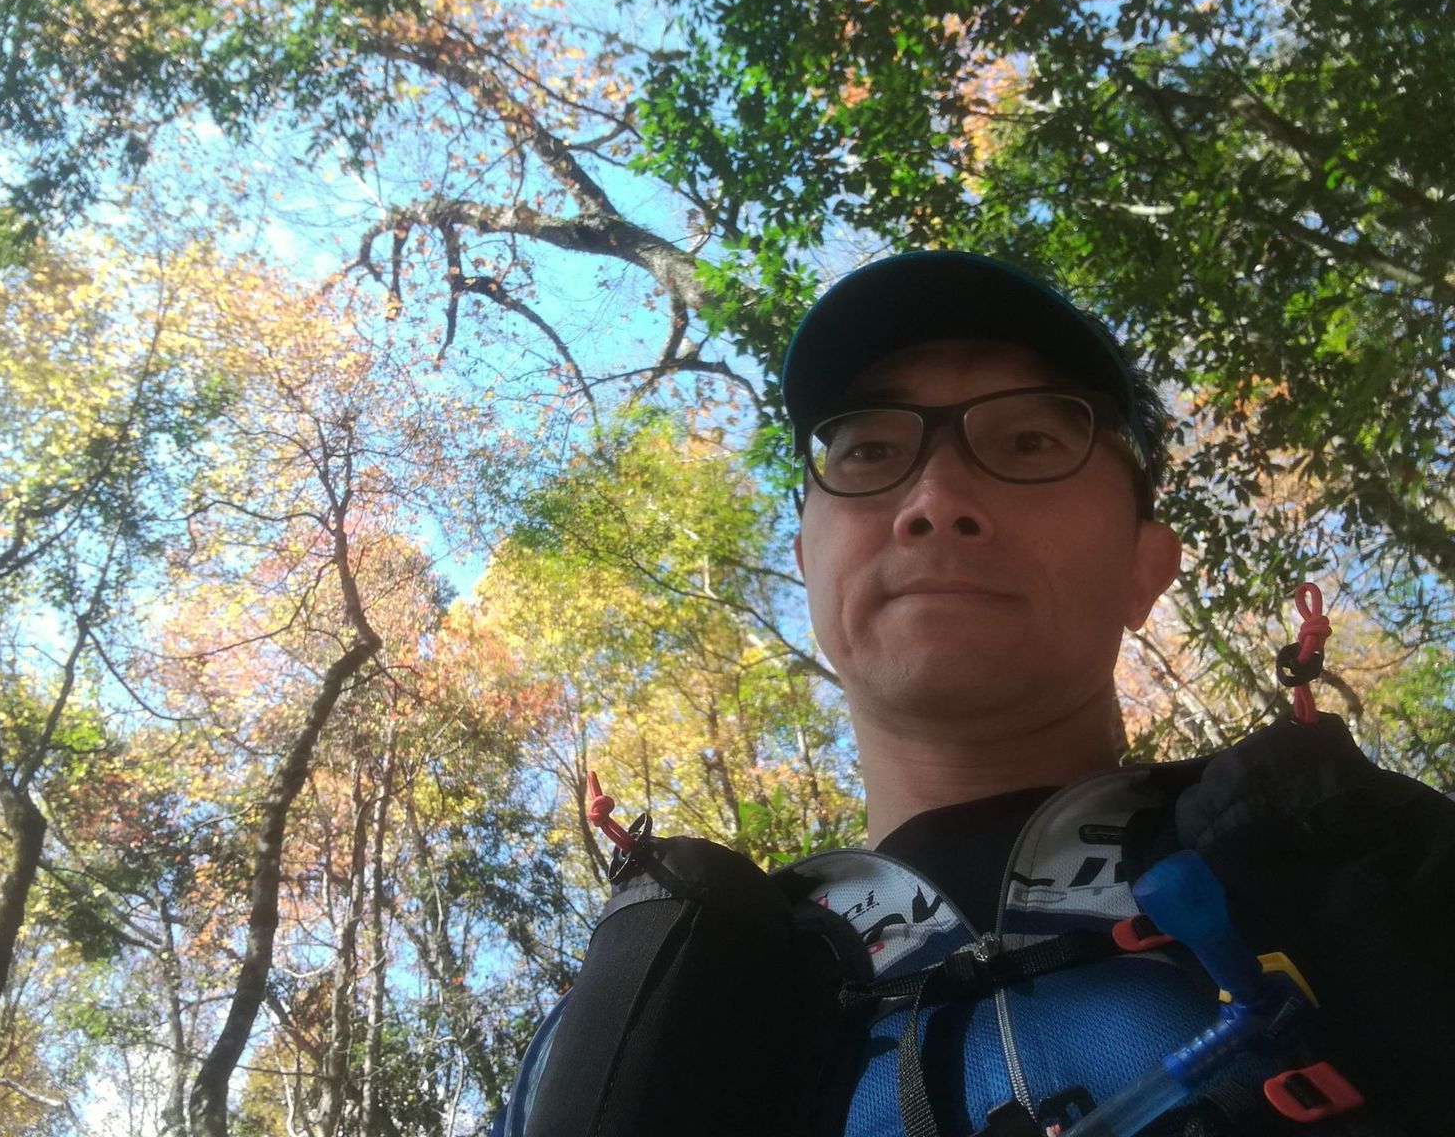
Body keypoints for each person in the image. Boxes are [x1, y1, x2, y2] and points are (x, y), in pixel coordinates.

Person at [498, 252, 1455, 1137]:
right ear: (806, 564)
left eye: (1029, 440)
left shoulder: (1381, 867)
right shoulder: (635, 1023)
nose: (936, 500)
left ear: (1144, 568)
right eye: (869, 452)